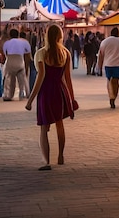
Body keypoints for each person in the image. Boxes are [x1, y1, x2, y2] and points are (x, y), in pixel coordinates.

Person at [25, 24, 77, 171]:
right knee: (60, 124)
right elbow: (68, 78)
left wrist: (30, 100)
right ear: (60, 36)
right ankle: (61, 156)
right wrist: (71, 100)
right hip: (60, 91)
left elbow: (40, 77)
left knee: (43, 127)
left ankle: (46, 161)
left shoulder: (41, 53)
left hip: (46, 92)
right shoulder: (65, 53)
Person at [2, 28, 31, 100]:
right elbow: (28, 54)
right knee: (23, 78)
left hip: (10, 62)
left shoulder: (6, 43)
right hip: (20, 62)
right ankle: (24, 93)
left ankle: (8, 95)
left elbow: (5, 54)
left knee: (10, 79)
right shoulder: (24, 42)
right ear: (18, 35)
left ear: (10, 35)